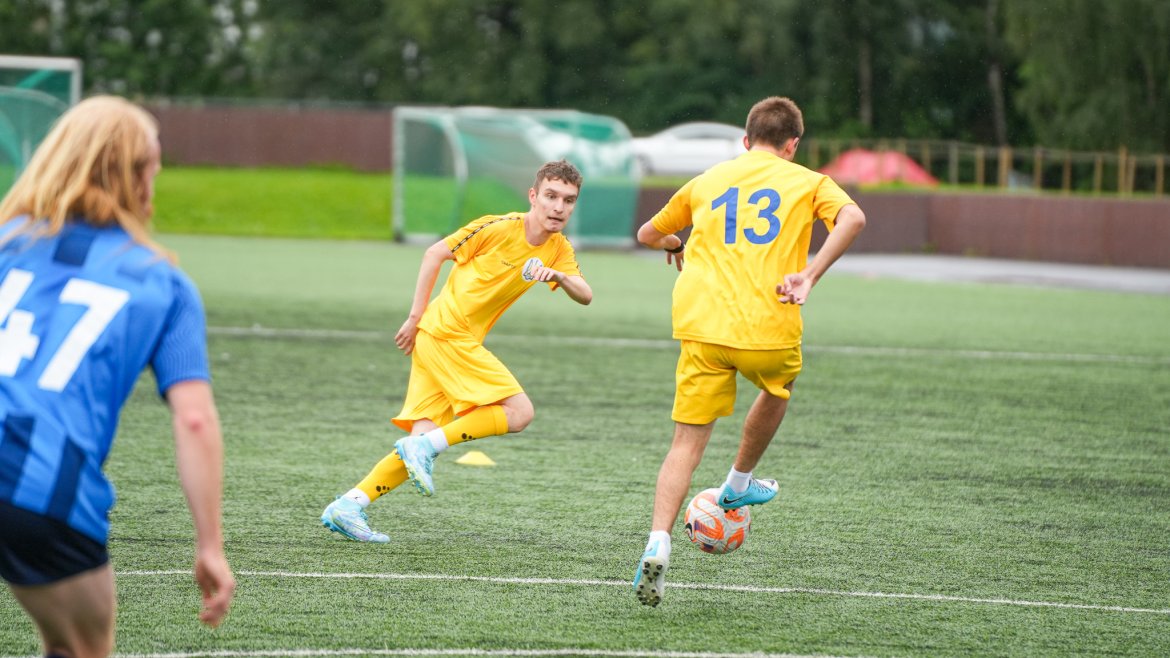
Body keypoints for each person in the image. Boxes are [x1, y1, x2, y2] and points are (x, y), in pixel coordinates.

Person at [0, 96, 235, 656]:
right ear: (137, 175)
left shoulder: (6, 241)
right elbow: (195, 420)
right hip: (41, 489)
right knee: (79, 647)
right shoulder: (162, 282)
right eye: (153, 167)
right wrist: (210, 545)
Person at [631, 96, 866, 607]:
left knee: (685, 443)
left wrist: (676, 245)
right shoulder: (809, 181)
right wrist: (810, 274)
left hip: (702, 327)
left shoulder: (708, 180)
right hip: (767, 325)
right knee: (779, 387)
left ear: (745, 139)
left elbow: (648, 233)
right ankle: (738, 482)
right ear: (792, 144)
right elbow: (853, 218)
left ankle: (657, 542)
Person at [321, 159, 593, 543]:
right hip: (446, 333)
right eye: (551, 196)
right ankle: (420, 449)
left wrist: (561, 277)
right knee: (519, 413)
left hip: (446, 340)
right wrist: (414, 317)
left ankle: (349, 505)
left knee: (423, 437)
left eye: (568, 200)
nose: (559, 207)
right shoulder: (498, 227)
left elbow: (586, 294)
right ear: (533, 196)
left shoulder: (558, 248)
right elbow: (435, 253)